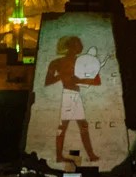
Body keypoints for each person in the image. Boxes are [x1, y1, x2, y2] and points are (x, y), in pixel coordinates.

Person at [43, 36, 101, 164]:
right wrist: (62, 76)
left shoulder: (83, 61)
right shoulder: (57, 63)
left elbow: (97, 80)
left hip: (75, 95)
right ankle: (86, 155)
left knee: (78, 126)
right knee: (65, 127)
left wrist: (80, 80)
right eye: (75, 44)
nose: (78, 47)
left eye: (78, 44)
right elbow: (48, 81)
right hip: (69, 95)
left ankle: (89, 155)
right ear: (69, 46)